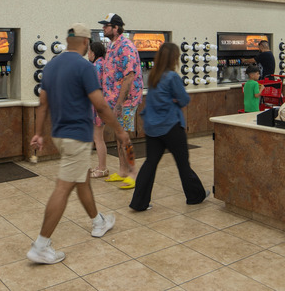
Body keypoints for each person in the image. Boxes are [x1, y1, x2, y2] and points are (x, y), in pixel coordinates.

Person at [27, 23, 128, 264]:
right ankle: (41, 245)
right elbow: (101, 105)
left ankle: (98, 221)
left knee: (81, 180)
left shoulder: (50, 66)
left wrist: (38, 133)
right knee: (63, 187)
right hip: (77, 136)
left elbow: (43, 103)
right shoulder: (84, 67)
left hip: (59, 135)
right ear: (84, 42)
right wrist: (120, 130)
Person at [129, 42, 208, 211]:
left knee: (150, 163)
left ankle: (139, 202)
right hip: (171, 126)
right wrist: (175, 99)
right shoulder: (172, 77)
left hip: (153, 128)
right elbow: (185, 100)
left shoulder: (153, 77)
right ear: (174, 58)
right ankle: (195, 196)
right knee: (182, 163)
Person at [98, 13, 143, 190]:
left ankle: (133, 173)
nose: (103, 28)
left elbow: (129, 76)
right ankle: (123, 170)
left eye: (106, 25)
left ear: (116, 28)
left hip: (126, 101)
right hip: (114, 100)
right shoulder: (112, 46)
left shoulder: (126, 46)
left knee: (125, 137)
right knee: (119, 135)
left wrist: (119, 103)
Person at [88, 42, 109, 178]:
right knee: (98, 138)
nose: (87, 54)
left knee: (98, 138)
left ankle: (102, 168)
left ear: (94, 53)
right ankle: (101, 166)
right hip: (102, 105)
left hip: (97, 106)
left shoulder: (96, 67)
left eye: (89, 51)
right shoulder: (104, 64)